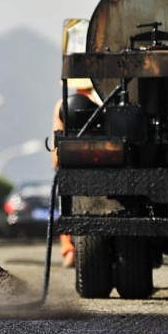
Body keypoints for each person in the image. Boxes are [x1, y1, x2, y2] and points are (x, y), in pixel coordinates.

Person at [51, 78, 101, 268]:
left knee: (67, 203)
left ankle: (69, 249)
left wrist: (57, 162)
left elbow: (58, 147)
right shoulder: (106, 102)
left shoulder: (63, 106)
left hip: (75, 167)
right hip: (104, 167)